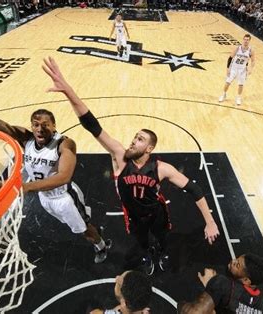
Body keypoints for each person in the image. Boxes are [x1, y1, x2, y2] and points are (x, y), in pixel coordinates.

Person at [42, 57, 220, 275]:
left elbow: (195, 189)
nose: (134, 140)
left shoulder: (161, 168)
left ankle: (162, 252)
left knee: (163, 237)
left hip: (157, 212)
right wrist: (68, 91)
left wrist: (209, 222)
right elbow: (91, 124)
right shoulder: (119, 155)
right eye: (135, 136)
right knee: (141, 240)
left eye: (141, 139)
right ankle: (146, 254)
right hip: (133, 216)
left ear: (149, 148)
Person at [0, 72, 111, 264]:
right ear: (31, 127)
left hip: (65, 198)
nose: (40, 129)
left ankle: (100, 245)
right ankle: (90, 227)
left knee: (83, 229)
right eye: (36, 125)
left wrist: (22, 187)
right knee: (74, 225)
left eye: (45, 125)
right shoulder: (26, 139)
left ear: (54, 126)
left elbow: (63, 177)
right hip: (45, 198)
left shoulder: (65, 144)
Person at [179, 253, 263, 313]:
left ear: (246, 280)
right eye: (236, 259)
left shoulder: (222, 284)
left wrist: (208, 285)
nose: (233, 261)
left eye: (237, 265)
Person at [219, 33, 256, 106]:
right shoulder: (237, 48)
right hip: (234, 68)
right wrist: (228, 69)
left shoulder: (251, 50)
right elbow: (230, 58)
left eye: (247, 40)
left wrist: (251, 69)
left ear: (249, 41)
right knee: (227, 82)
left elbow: (253, 60)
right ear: (243, 40)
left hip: (242, 70)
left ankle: (238, 97)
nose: (246, 41)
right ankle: (223, 94)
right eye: (245, 39)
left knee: (241, 84)